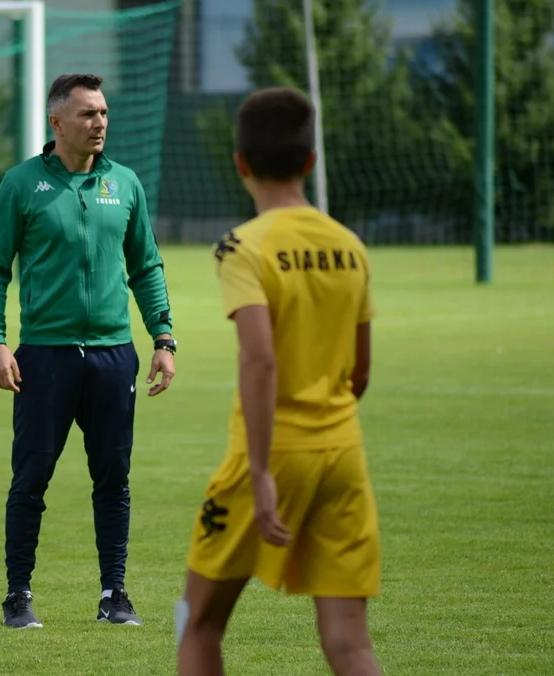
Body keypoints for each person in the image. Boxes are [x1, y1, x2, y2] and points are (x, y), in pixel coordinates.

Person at [175, 87, 382, 676]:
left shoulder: (243, 246)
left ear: (239, 163)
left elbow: (259, 359)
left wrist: (264, 471)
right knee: (349, 641)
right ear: (310, 162)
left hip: (269, 454)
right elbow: (359, 371)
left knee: (198, 622)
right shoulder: (351, 246)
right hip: (344, 455)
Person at [0, 73, 177, 629]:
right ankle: (18, 595)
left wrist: (162, 337)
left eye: (104, 113)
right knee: (31, 476)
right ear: (56, 122)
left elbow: (147, 267)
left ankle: (115, 594)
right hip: (45, 357)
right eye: (88, 114)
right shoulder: (20, 184)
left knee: (113, 477)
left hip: (115, 357)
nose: (100, 123)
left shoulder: (125, 184)